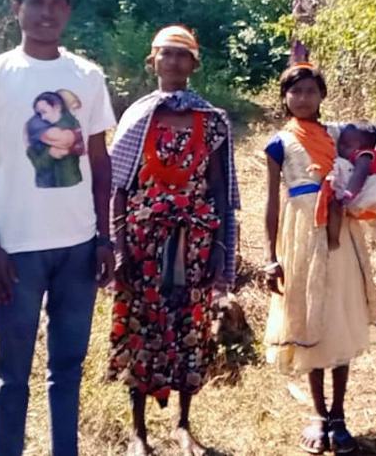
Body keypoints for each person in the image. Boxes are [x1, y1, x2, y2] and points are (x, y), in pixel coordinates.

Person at [0, 0, 117, 456]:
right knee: (12, 373)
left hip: (78, 248)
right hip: (18, 250)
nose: (46, 14)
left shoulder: (87, 76)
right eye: (36, 3)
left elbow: (99, 160)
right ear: (18, 9)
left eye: (56, 5)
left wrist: (105, 237)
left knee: (68, 368)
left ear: (67, 11)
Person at [106, 25, 240, 456]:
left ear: (194, 65)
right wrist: (119, 245)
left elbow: (220, 188)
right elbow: (120, 185)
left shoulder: (211, 120)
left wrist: (222, 247)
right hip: (144, 242)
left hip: (195, 240)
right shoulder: (139, 118)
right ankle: (138, 432)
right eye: (167, 54)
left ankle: (183, 424)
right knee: (140, 328)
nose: (174, 62)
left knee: (191, 328)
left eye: (183, 56)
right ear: (153, 62)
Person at [263, 63, 376, 455]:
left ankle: (339, 415)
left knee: (340, 318)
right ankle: (318, 414)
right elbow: (271, 203)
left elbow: (370, 149)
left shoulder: (337, 135)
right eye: (295, 91)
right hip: (300, 236)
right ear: (284, 97)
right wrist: (271, 256)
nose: (303, 98)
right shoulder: (279, 143)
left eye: (310, 91)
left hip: (339, 234)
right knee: (311, 318)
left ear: (322, 95)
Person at [325, 122, 376, 249]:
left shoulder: (364, 155)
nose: (341, 149)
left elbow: (359, 175)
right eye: (340, 144)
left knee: (337, 205)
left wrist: (348, 194)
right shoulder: (359, 155)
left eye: (347, 145)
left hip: (375, 191)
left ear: (364, 145)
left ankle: (333, 240)